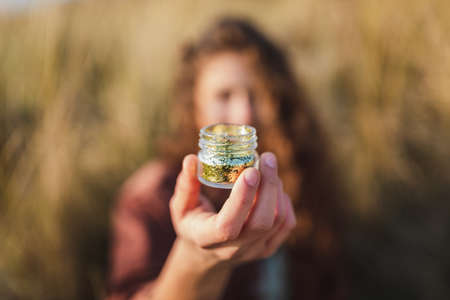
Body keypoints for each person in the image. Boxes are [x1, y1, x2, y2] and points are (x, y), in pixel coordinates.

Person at [106, 17, 346, 300]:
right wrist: (196, 259)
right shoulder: (151, 197)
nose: (244, 114)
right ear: (192, 105)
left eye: (257, 95)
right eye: (224, 95)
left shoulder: (301, 173)